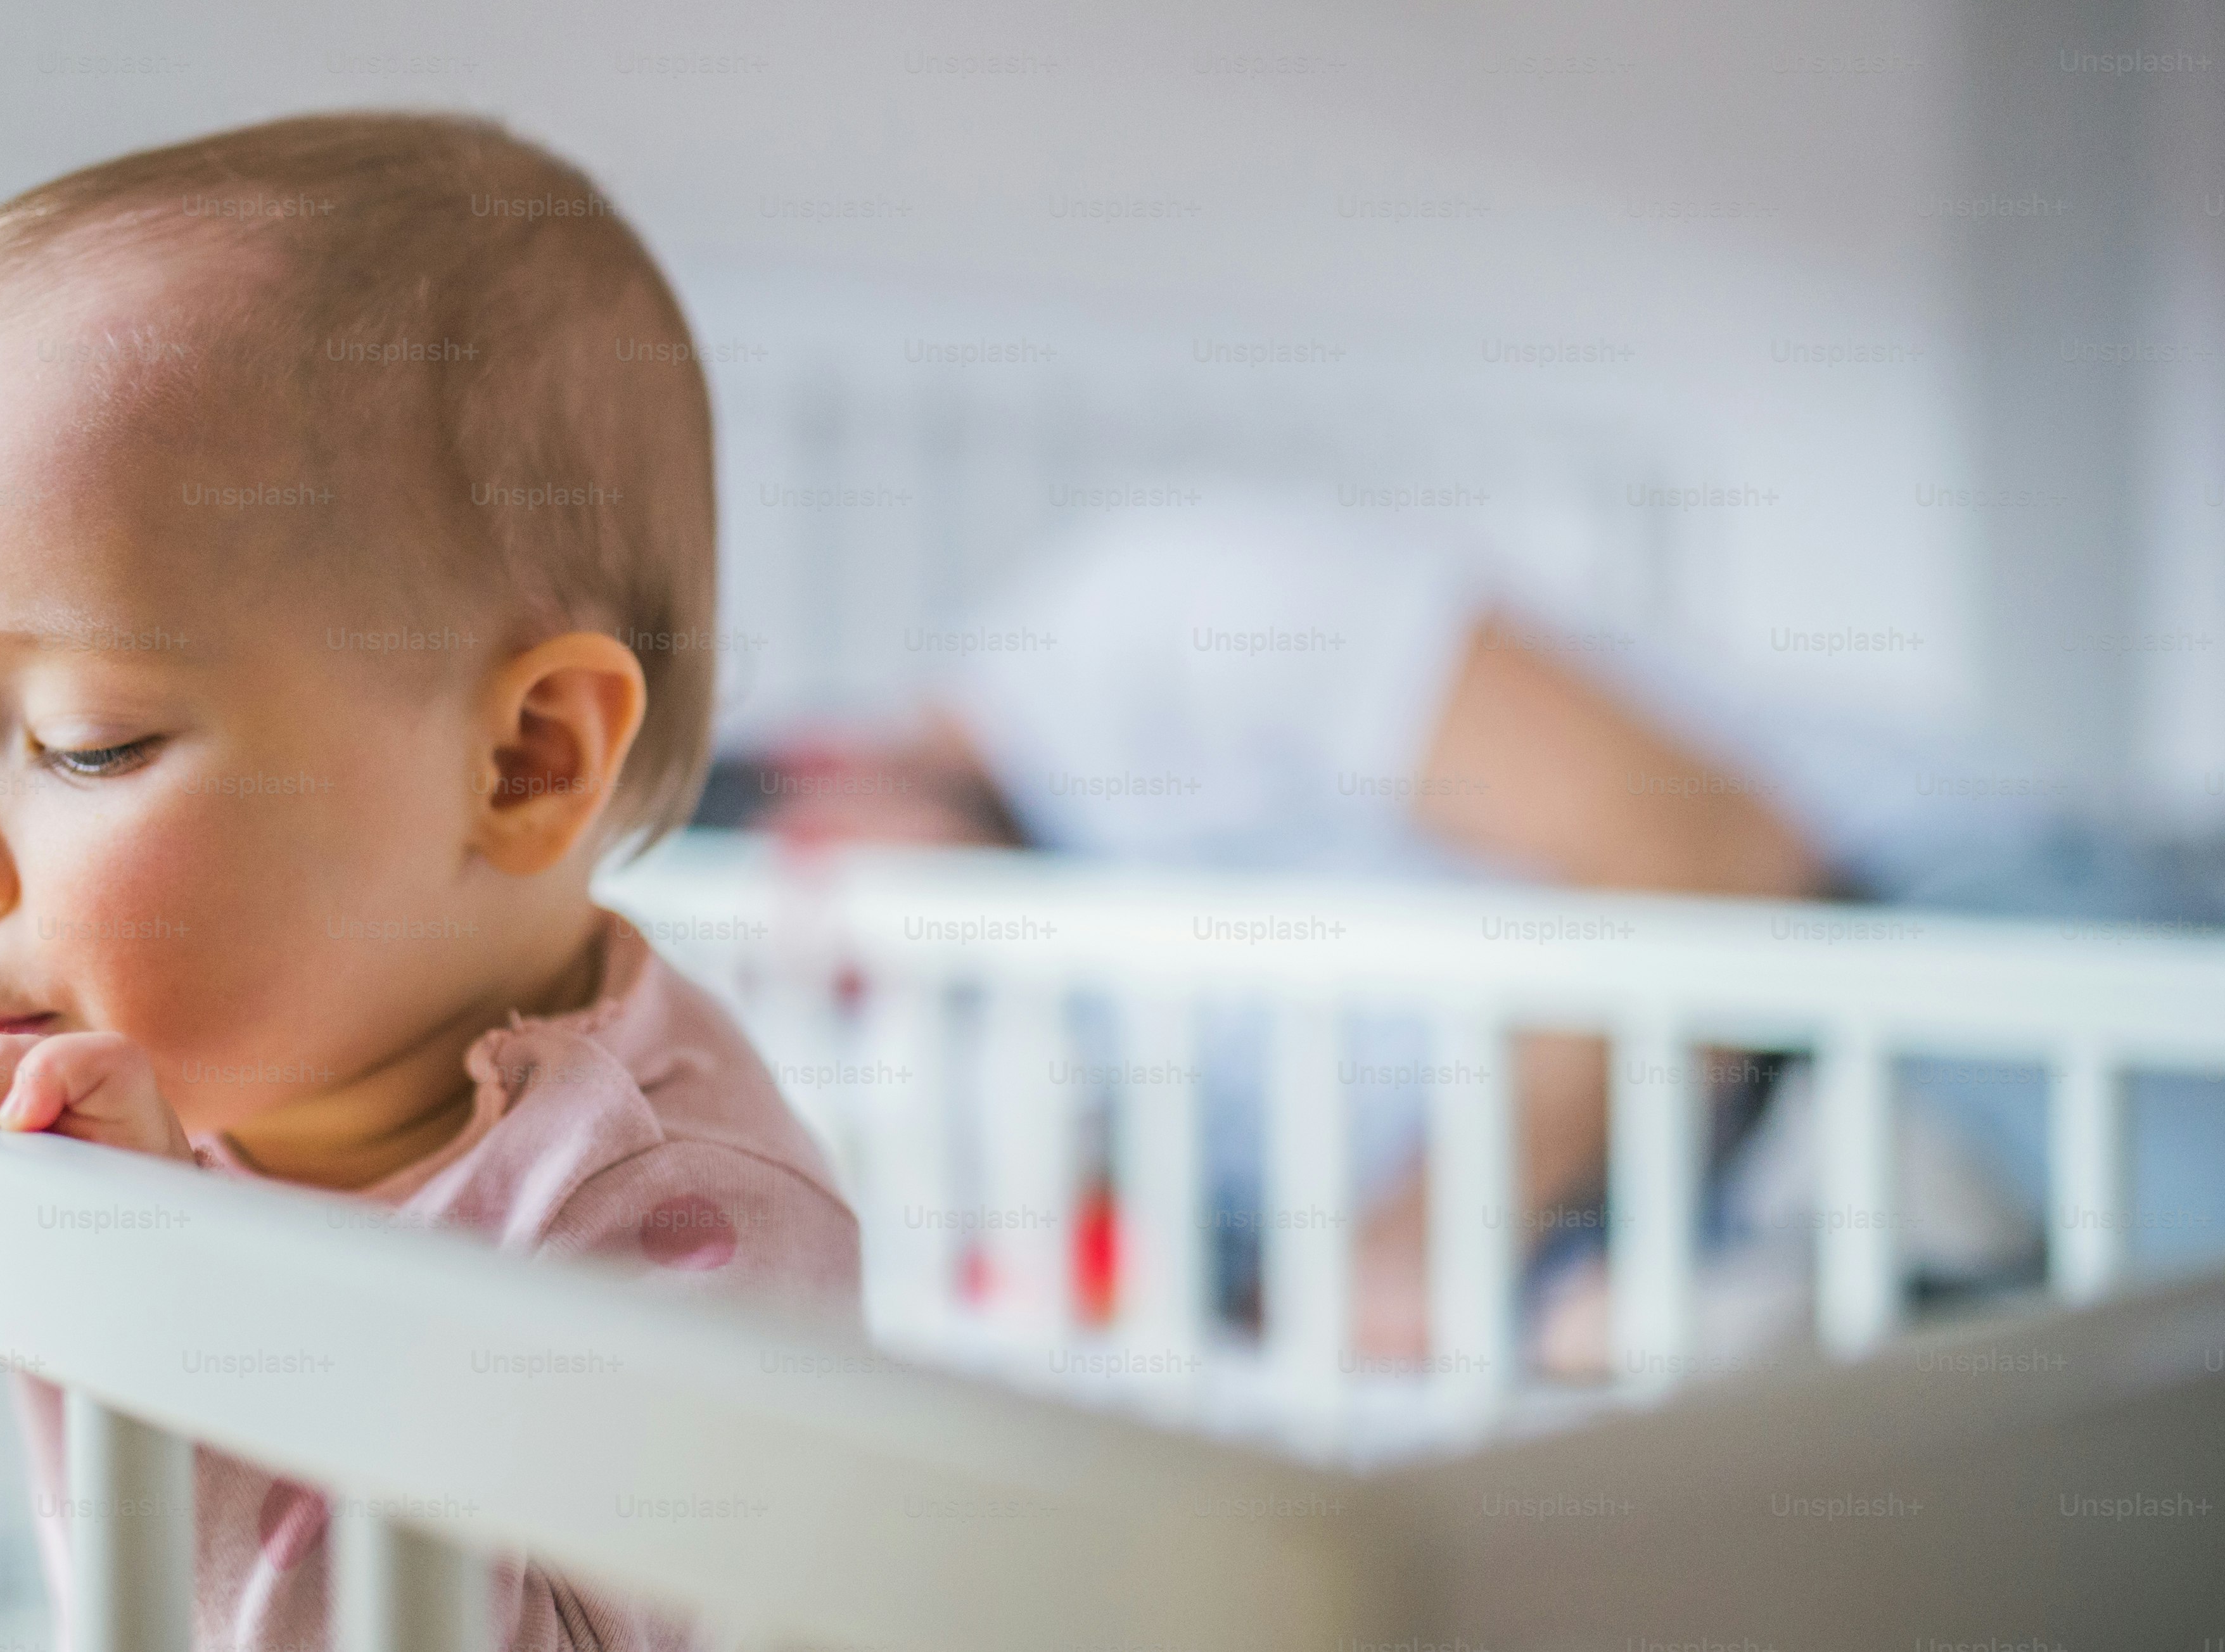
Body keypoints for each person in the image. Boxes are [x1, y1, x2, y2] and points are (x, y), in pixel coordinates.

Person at [0, 115, 857, 1651]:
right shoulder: (179, 1009)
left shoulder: (672, 1213)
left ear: (520, 759)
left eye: (86, 745)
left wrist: (152, 1290)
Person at [710, 500, 2146, 1368]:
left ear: (838, 769)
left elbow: (1711, 852)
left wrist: (1414, 1249)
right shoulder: (1044, 991)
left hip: (1915, 909)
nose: (879, 984)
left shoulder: (1140, 624)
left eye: (849, 928)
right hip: (1680, 1158)